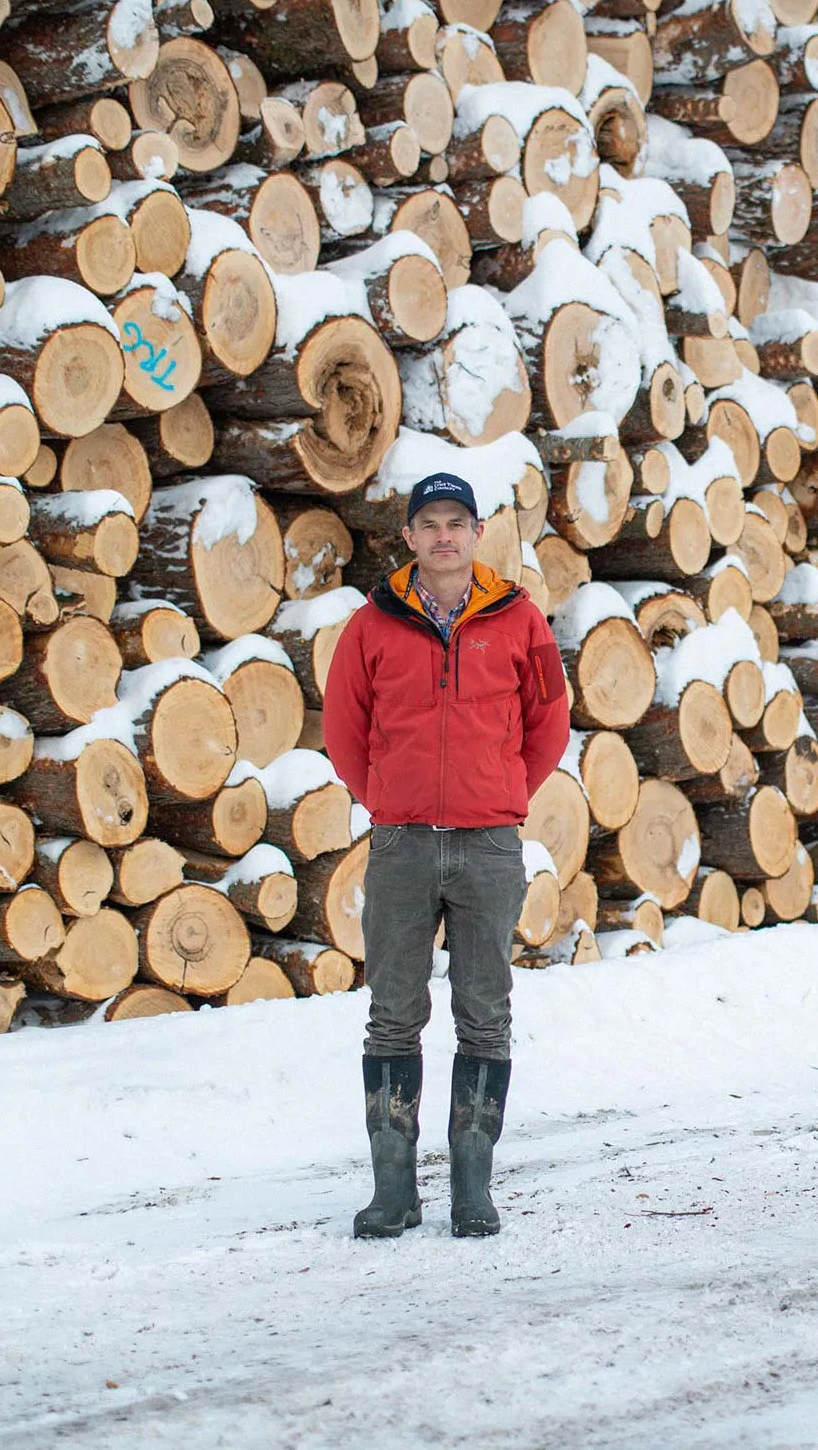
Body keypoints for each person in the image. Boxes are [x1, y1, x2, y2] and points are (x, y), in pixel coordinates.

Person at [322, 470, 569, 1238]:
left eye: (456, 523)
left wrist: (502, 794)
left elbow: (551, 717)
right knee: (392, 1016)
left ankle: (472, 1189)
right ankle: (393, 1192)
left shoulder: (521, 620)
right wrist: (384, 798)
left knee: (485, 1015)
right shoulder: (371, 625)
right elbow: (343, 725)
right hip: (400, 847)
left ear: (477, 533)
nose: (444, 536)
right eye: (429, 524)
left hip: (489, 848)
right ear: (409, 536)